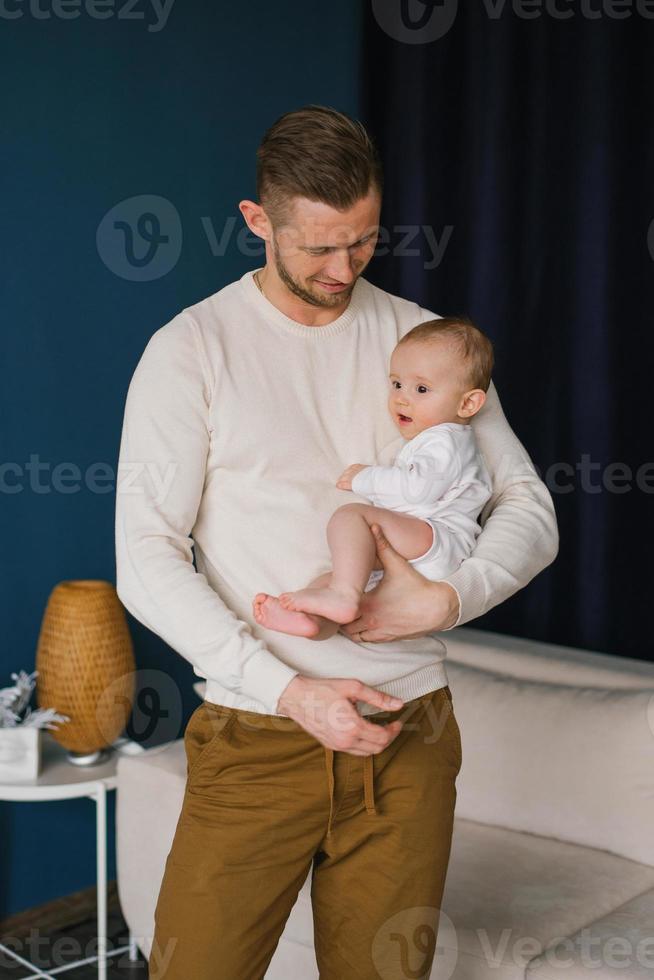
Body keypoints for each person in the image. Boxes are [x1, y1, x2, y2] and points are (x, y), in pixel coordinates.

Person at [114, 105, 558, 980]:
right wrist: (292, 694)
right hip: (258, 731)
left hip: (410, 734)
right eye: (318, 246)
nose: (343, 268)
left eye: (362, 241)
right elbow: (146, 558)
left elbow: (530, 509)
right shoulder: (192, 351)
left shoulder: (423, 339)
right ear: (257, 222)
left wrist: (448, 598)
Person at [253, 316, 493, 641]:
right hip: (421, 546)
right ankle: (313, 623)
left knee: (352, 517)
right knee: (337, 577)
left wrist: (366, 478)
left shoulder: (445, 440)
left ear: (468, 403)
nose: (402, 398)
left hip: (438, 538)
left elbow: (417, 492)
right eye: (396, 384)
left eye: (421, 389)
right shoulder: (439, 438)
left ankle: (341, 596)